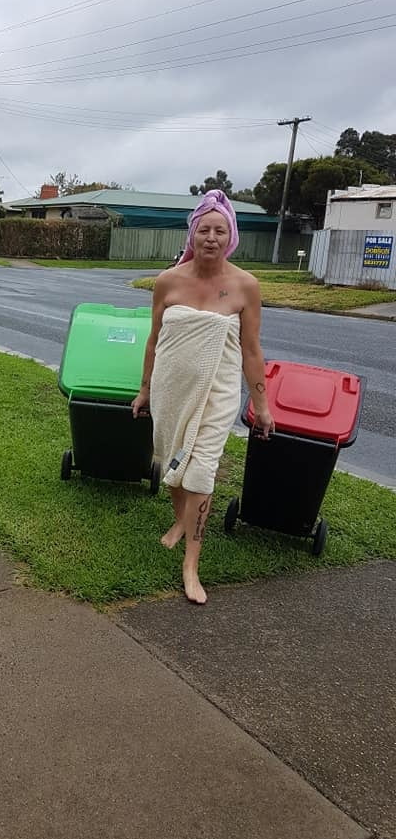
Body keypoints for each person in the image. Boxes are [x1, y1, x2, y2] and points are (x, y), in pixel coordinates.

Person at [131, 190, 274, 605]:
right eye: (203, 229)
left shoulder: (246, 285)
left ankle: (191, 562)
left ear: (231, 236)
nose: (211, 237)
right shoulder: (168, 281)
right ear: (192, 234)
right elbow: (154, 341)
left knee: (201, 471)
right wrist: (144, 389)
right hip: (171, 389)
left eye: (220, 230)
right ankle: (181, 519)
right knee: (174, 460)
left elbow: (251, 349)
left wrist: (261, 404)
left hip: (218, 394)